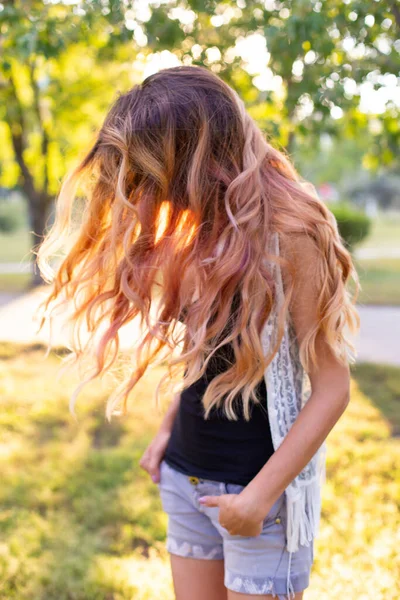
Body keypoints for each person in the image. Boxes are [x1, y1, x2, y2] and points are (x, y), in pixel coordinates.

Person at [36, 65, 360, 600]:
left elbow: (332, 388)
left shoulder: (292, 235)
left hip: (263, 498)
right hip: (186, 479)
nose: (142, 196)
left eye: (149, 175)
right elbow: (207, 357)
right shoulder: (196, 229)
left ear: (193, 160)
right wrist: (167, 432)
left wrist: (257, 498)